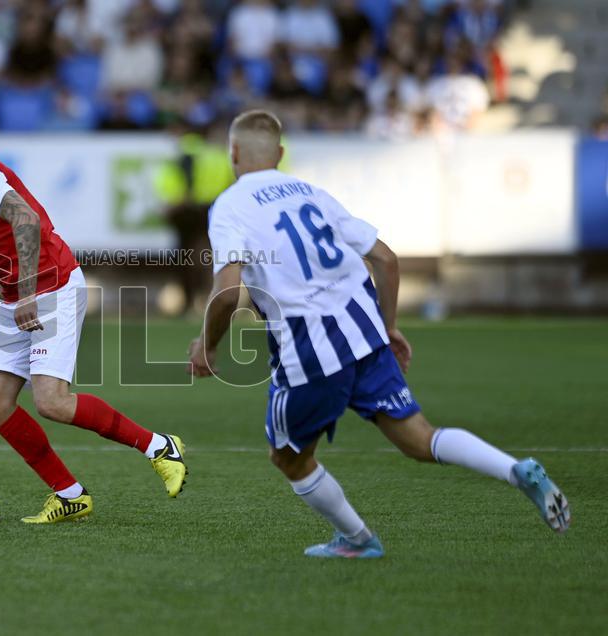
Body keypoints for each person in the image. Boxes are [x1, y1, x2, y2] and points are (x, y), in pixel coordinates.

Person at [187, 110, 570, 558]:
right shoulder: (312, 192)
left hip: (311, 348)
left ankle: (358, 539)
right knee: (420, 439)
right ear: (281, 154)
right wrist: (387, 328)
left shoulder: (230, 206)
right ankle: (515, 469)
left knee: (289, 458)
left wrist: (207, 346)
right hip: (363, 331)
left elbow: (228, 292)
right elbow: (386, 259)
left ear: (232, 153)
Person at [0, 120, 187, 524]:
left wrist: (26, 292)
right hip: (18, 298)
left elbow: (24, 219)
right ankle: (69, 495)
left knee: (52, 401)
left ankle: (160, 446)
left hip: (53, 286)